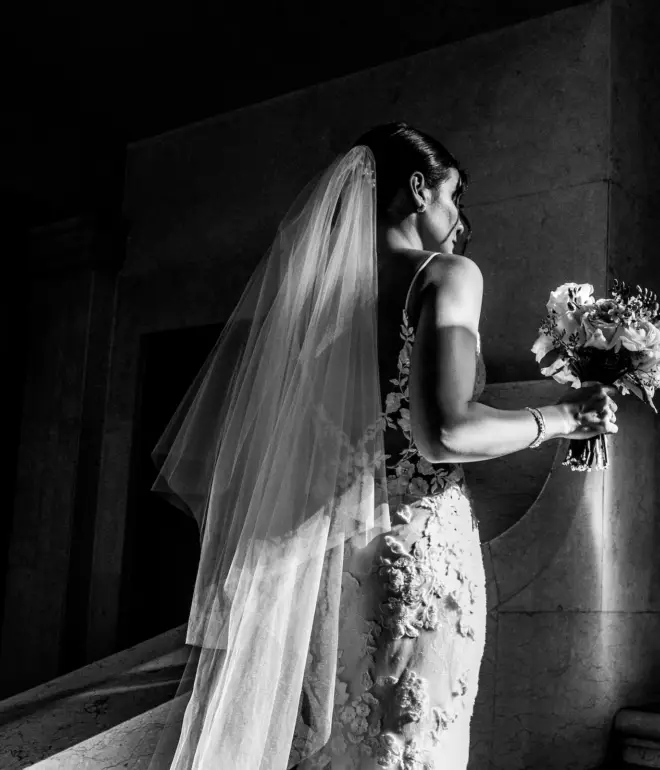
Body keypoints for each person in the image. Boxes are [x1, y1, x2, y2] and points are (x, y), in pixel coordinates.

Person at [149, 122, 618, 770]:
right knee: (412, 751)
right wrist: (562, 417)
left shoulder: (317, 313)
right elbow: (446, 430)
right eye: (453, 196)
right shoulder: (445, 276)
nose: (458, 218)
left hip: (335, 568)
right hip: (417, 561)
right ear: (418, 189)